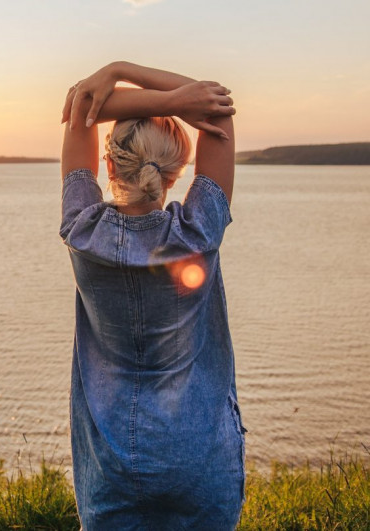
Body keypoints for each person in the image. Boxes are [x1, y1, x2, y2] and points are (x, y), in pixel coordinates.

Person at [59, 61, 245, 530]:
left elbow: (82, 105)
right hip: (200, 459)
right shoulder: (198, 231)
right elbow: (218, 109)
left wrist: (124, 79)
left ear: (108, 164)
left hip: (112, 465)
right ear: (176, 172)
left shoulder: (83, 231)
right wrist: (149, 84)